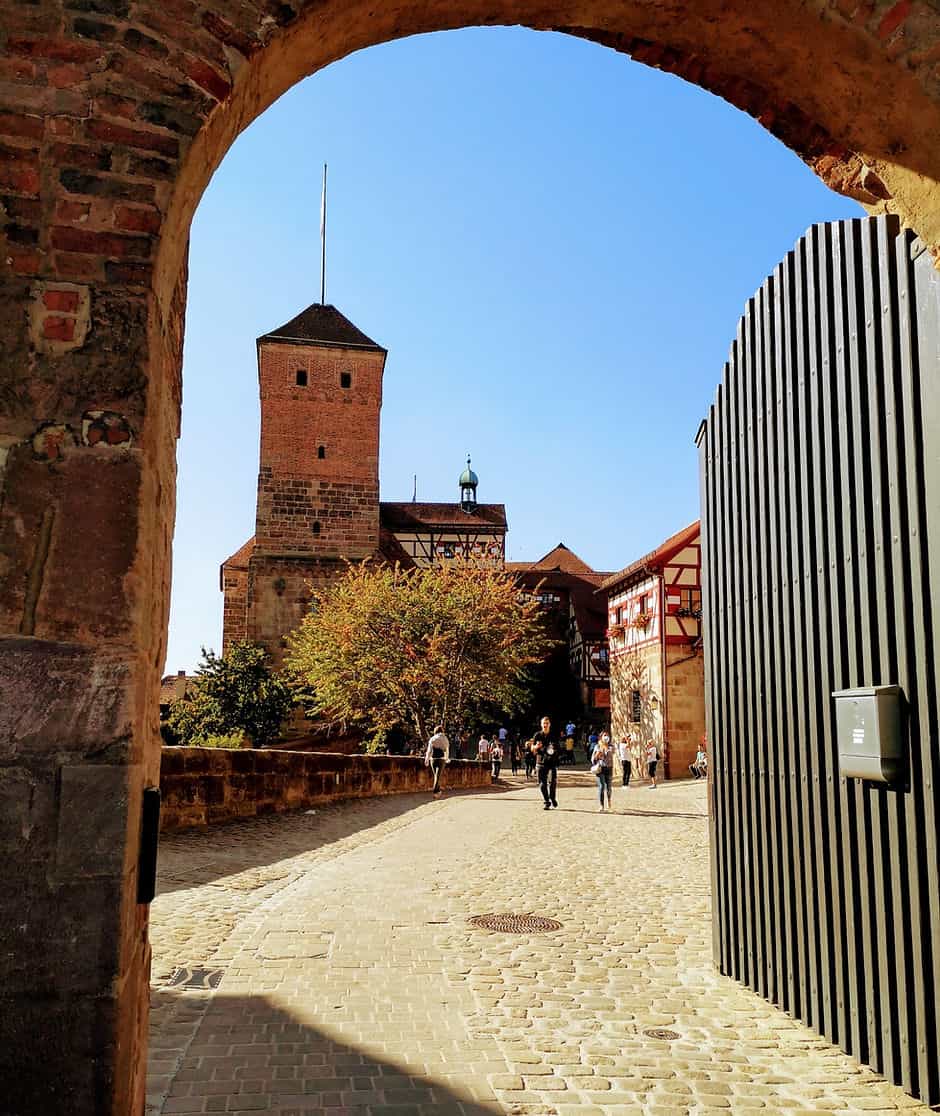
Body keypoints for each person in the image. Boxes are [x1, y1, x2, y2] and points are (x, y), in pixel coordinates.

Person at [532, 715, 561, 810]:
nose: (545, 725)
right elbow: (532, 748)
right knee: (542, 783)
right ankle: (546, 801)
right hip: (540, 762)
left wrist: (554, 751)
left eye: (547, 723)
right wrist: (536, 747)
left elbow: (558, 749)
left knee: (553, 783)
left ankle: (552, 798)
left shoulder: (553, 735)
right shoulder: (537, 735)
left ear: (550, 724)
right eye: (544, 723)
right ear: (541, 724)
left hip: (552, 763)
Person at [592, 731, 614, 812]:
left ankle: (609, 803)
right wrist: (597, 755)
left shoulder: (611, 746)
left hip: (609, 768)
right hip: (600, 768)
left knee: (609, 787)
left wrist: (605, 748)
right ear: (601, 737)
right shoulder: (597, 746)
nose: (606, 737)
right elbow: (593, 759)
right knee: (601, 787)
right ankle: (601, 805)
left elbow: (612, 753)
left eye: (607, 736)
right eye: (604, 735)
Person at [425, 725, 450, 795]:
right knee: (438, 776)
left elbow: (429, 750)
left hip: (433, 759)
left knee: (436, 775)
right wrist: (447, 758)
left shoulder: (432, 738)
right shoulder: (445, 738)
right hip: (441, 759)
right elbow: (447, 750)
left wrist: (427, 759)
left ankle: (438, 791)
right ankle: (435, 791)